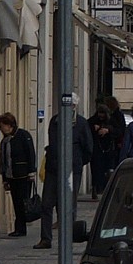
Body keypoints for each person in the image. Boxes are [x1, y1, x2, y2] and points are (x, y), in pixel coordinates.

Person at [39, 106, 93, 247]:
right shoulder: (54, 121)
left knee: (69, 205)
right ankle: (46, 239)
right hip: (53, 168)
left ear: (74, 107)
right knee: (46, 204)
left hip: (72, 169)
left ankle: (68, 238)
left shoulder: (81, 123)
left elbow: (88, 147)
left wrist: (78, 162)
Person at [0, 113, 36, 238]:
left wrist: (31, 172)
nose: (1, 128)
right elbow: (3, 161)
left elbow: (30, 153)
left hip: (23, 175)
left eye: (2, 125)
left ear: (9, 125)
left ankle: (21, 228)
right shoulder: (5, 141)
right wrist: (5, 179)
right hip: (11, 176)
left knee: (22, 202)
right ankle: (19, 228)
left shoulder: (23, 135)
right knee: (16, 202)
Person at [88, 98, 124, 198]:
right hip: (97, 148)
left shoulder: (112, 120)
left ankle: (106, 188)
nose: (101, 116)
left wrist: (108, 130)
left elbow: (119, 130)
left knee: (109, 168)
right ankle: (96, 187)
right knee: (96, 168)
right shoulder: (93, 120)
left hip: (109, 148)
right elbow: (88, 127)